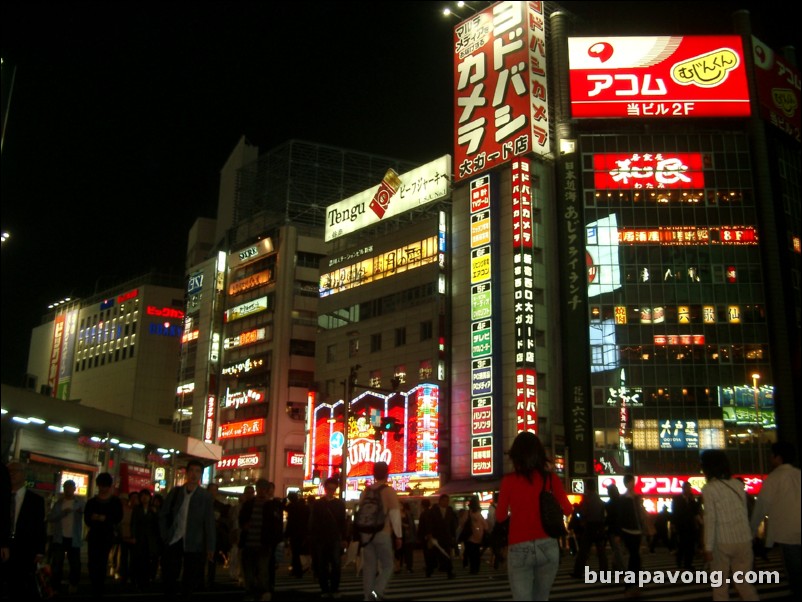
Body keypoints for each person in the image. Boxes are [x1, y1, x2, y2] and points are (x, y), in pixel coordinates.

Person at [496, 431, 573, 601]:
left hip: (519, 546)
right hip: (548, 546)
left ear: (515, 456)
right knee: (541, 597)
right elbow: (568, 509)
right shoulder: (551, 479)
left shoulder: (508, 481)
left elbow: (500, 516)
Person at [700, 449, 759, 601]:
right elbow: (744, 513)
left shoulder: (709, 488)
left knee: (720, 586)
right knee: (744, 584)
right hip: (743, 540)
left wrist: (708, 547)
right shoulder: (738, 485)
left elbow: (710, 519)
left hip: (723, 542)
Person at [159, 459, 216, 599]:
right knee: (170, 576)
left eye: (197, 471)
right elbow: (163, 514)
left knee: (189, 580)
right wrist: (165, 535)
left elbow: (209, 522)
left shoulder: (205, 496)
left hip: (194, 542)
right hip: (174, 538)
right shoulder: (176, 492)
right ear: (186, 473)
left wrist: (210, 546)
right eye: (191, 471)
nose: (194, 474)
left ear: (201, 475)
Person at [750, 441, 801, 599]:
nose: (770, 458)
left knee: (795, 574)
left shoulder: (774, 478)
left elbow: (761, 507)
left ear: (778, 457)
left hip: (787, 534)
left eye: (772, 455)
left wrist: (752, 531)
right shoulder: (799, 474)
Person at [358, 461, 402, 601]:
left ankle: (367, 596)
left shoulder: (366, 491)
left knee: (369, 566)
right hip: (382, 532)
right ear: (387, 474)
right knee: (388, 565)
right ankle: (377, 591)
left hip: (366, 534)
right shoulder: (388, 491)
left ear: (373, 474)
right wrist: (398, 536)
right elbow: (395, 514)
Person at [2, 461, 46, 600]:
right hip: (3, 546)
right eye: (9, 471)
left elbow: (40, 526)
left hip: (24, 549)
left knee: (19, 586)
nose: (12, 474)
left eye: (16, 470)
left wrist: (40, 550)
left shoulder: (35, 500)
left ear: (24, 474)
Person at [238, 479, 285, 602]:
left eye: (264, 488)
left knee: (262, 569)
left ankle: (262, 591)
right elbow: (241, 519)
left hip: (264, 543)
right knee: (249, 570)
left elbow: (277, 525)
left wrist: (275, 541)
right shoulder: (250, 504)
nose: (262, 491)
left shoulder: (272, 505)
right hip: (249, 541)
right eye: (260, 488)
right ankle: (252, 590)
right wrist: (244, 525)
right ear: (257, 489)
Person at [84, 471, 124, 598]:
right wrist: (95, 518)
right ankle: (95, 584)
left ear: (109, 486)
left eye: (105, 486)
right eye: (101, 485)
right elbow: (87, 519)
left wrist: (104, 518)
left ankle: (98, 587)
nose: (102, 488)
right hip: (94, 534)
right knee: (92, 562)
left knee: (101, 561)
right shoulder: (92, 502)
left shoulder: (115, 502)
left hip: (107, 535)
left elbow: (118, 517)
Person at [308, 477, 347, 598]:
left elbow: (343, 522)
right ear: (325, 489)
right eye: (329, 489)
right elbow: (313, 522)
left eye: (333, 489)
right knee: (323, 564)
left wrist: (344, 538)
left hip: (334, 538)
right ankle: (325, 589)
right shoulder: (318, 504)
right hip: (321, 538)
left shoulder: (339, 504)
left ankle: (334, 589)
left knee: (335, 564)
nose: (331, 491)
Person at [47, 479, 85, 594]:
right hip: (59, 537)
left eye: (70, 487)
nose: (68, 489)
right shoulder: (59, 503)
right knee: (57, 564)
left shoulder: (80, 503)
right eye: (66, 487)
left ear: (74, 489)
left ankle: (73, 584)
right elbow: (51, 518)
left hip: (74, 539)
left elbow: (85, 513)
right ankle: (55, 586)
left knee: (75, 564)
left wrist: (80, 511)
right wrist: (63, 513)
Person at [614, 474, 649, 598]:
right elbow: (620, 517)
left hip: (637, 531)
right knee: (634, 557)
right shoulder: (623, 499)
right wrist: (618, 534)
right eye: (629, 482)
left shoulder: (637, 497)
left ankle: (633, 585)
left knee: (636, 558)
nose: (631, 484)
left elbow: (641, 514)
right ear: (625, 484)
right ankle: (630, 586)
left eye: (632, 482)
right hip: (627, 531)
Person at [571, 479, 608, 578]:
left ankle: (578, 572)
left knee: (583, 551)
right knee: (601, 552)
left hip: (589, 526)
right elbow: (603, 515)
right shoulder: (599, 500)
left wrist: (580, 515)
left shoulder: (586, 499)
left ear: (587, 487)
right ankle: (605, 573)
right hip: (599, 527)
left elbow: (583, 513)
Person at [424, 494, 458, 579]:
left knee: (447, 554)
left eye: (447, 501)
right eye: (444, 500)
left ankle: (449, 572)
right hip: (436, 536)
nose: (446, 502)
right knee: (433, 555)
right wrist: (429, 534)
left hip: (446, 536)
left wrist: (453, 535)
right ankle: (429, 571)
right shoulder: (433, 511)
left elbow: (452, 524)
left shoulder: (450, 510)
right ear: (440, 501)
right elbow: (429, 523)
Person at [131, 488, 159, 590]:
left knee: (148, 560)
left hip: (150, 539)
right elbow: (133, 523)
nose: (144, 497)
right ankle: (137, 580)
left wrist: (155, 513)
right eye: (142, 496)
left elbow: (157, 524)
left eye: (146, 496)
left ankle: (146, 580)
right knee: (139, 559)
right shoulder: (137, 509)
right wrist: (133, 536)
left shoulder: (153, 509)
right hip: (139, 538)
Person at [206, 482, 231, 590]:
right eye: (211, 490)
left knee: (212, 559)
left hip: (215, 534)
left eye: (214, 490)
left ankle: (210, 580)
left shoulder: (220, 506)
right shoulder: (202, 503)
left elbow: (226, 520)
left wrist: (219, 520)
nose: (212, 492)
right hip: (203, 534)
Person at [228, 484, 255, 583]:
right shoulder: (239, 507)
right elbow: (234, 521)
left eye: (251, 493)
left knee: (244, 557)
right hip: (239, 533)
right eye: (248, 493)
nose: (249, 495)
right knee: (236, 555)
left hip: (249, 535)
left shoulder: (254, 506)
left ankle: (242, 574)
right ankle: (235, 573)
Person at [672, 481, 700, 569]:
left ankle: (688, 564)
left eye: (689, 488)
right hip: (681, 526)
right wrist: (674, 525)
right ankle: (679, 561)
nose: (689, 490)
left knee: (690, 546)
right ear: (683, 489)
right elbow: (675, 512)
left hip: (691, 526)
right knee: (682, 545)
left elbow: (695, 512)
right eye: (687, 488)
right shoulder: (677, 499)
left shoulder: (692, 500)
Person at [283, 490, 310, 578]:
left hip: (294, 532)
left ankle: (297, 570)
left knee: (295, 552)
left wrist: (286, 534)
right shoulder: (304, 507)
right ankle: (298, 569)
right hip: (303, 532)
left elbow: (290, 521)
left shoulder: (291, 506)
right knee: (299, 552)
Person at [463, 495, 489, 575]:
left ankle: (472, 568)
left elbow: (462, 523)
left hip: (470, 536)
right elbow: (486, 526)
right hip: (478, 536)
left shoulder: (468, 513)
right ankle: (476, 568)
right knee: (476, 553)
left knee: (471, 553)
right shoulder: (479, 514)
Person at [605, 483, 626, 571]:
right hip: (624, 529)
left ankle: (621, 568)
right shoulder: (623, 501)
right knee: (620, 550)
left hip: (613, 530)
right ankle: (616, 566)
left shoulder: (609, 504)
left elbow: (610, 518)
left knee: (617, 550)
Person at [395, 501, 416, 573]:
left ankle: (409, 567)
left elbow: (412, 525)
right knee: (398, 552)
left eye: (400, 505)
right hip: (398, 535)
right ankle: (398, 567)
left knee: (408, 552)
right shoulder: (395, 514)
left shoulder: (408, 514)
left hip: (407, 535)